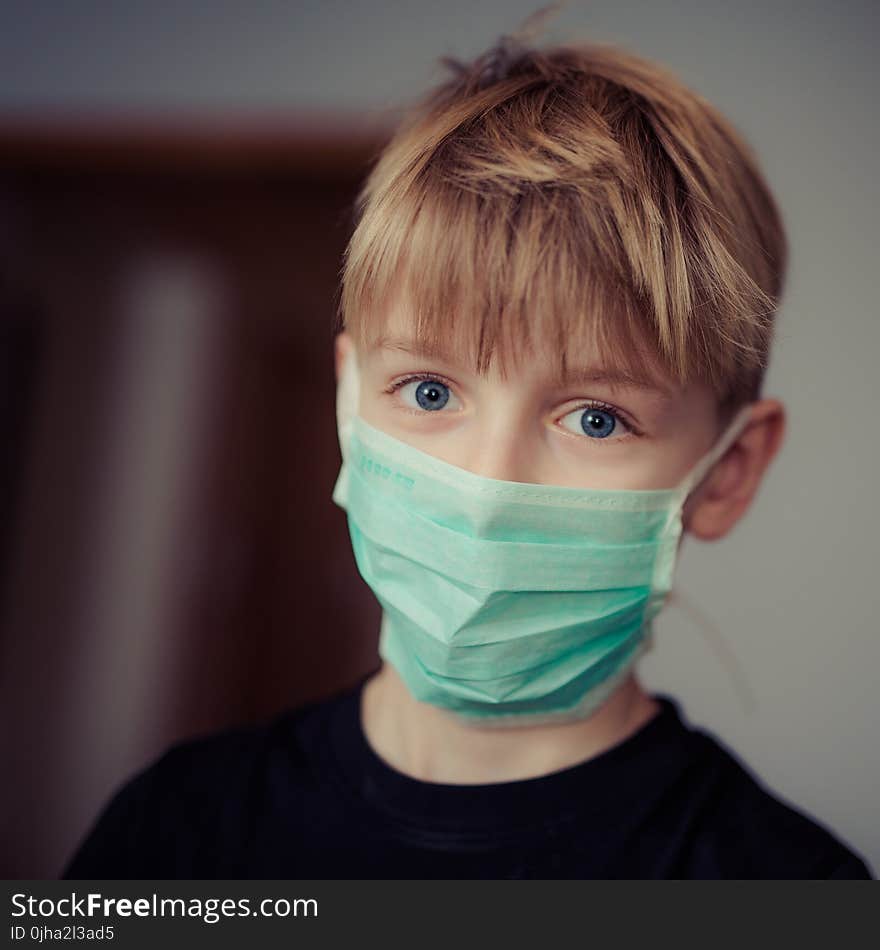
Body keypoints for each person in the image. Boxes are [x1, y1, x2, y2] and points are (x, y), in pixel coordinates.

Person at [62, 26, 873, 880]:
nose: (486, 486)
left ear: (729, 472)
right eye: (430, 391)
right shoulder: (175, 832)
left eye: (596, 418)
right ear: (349, 402)